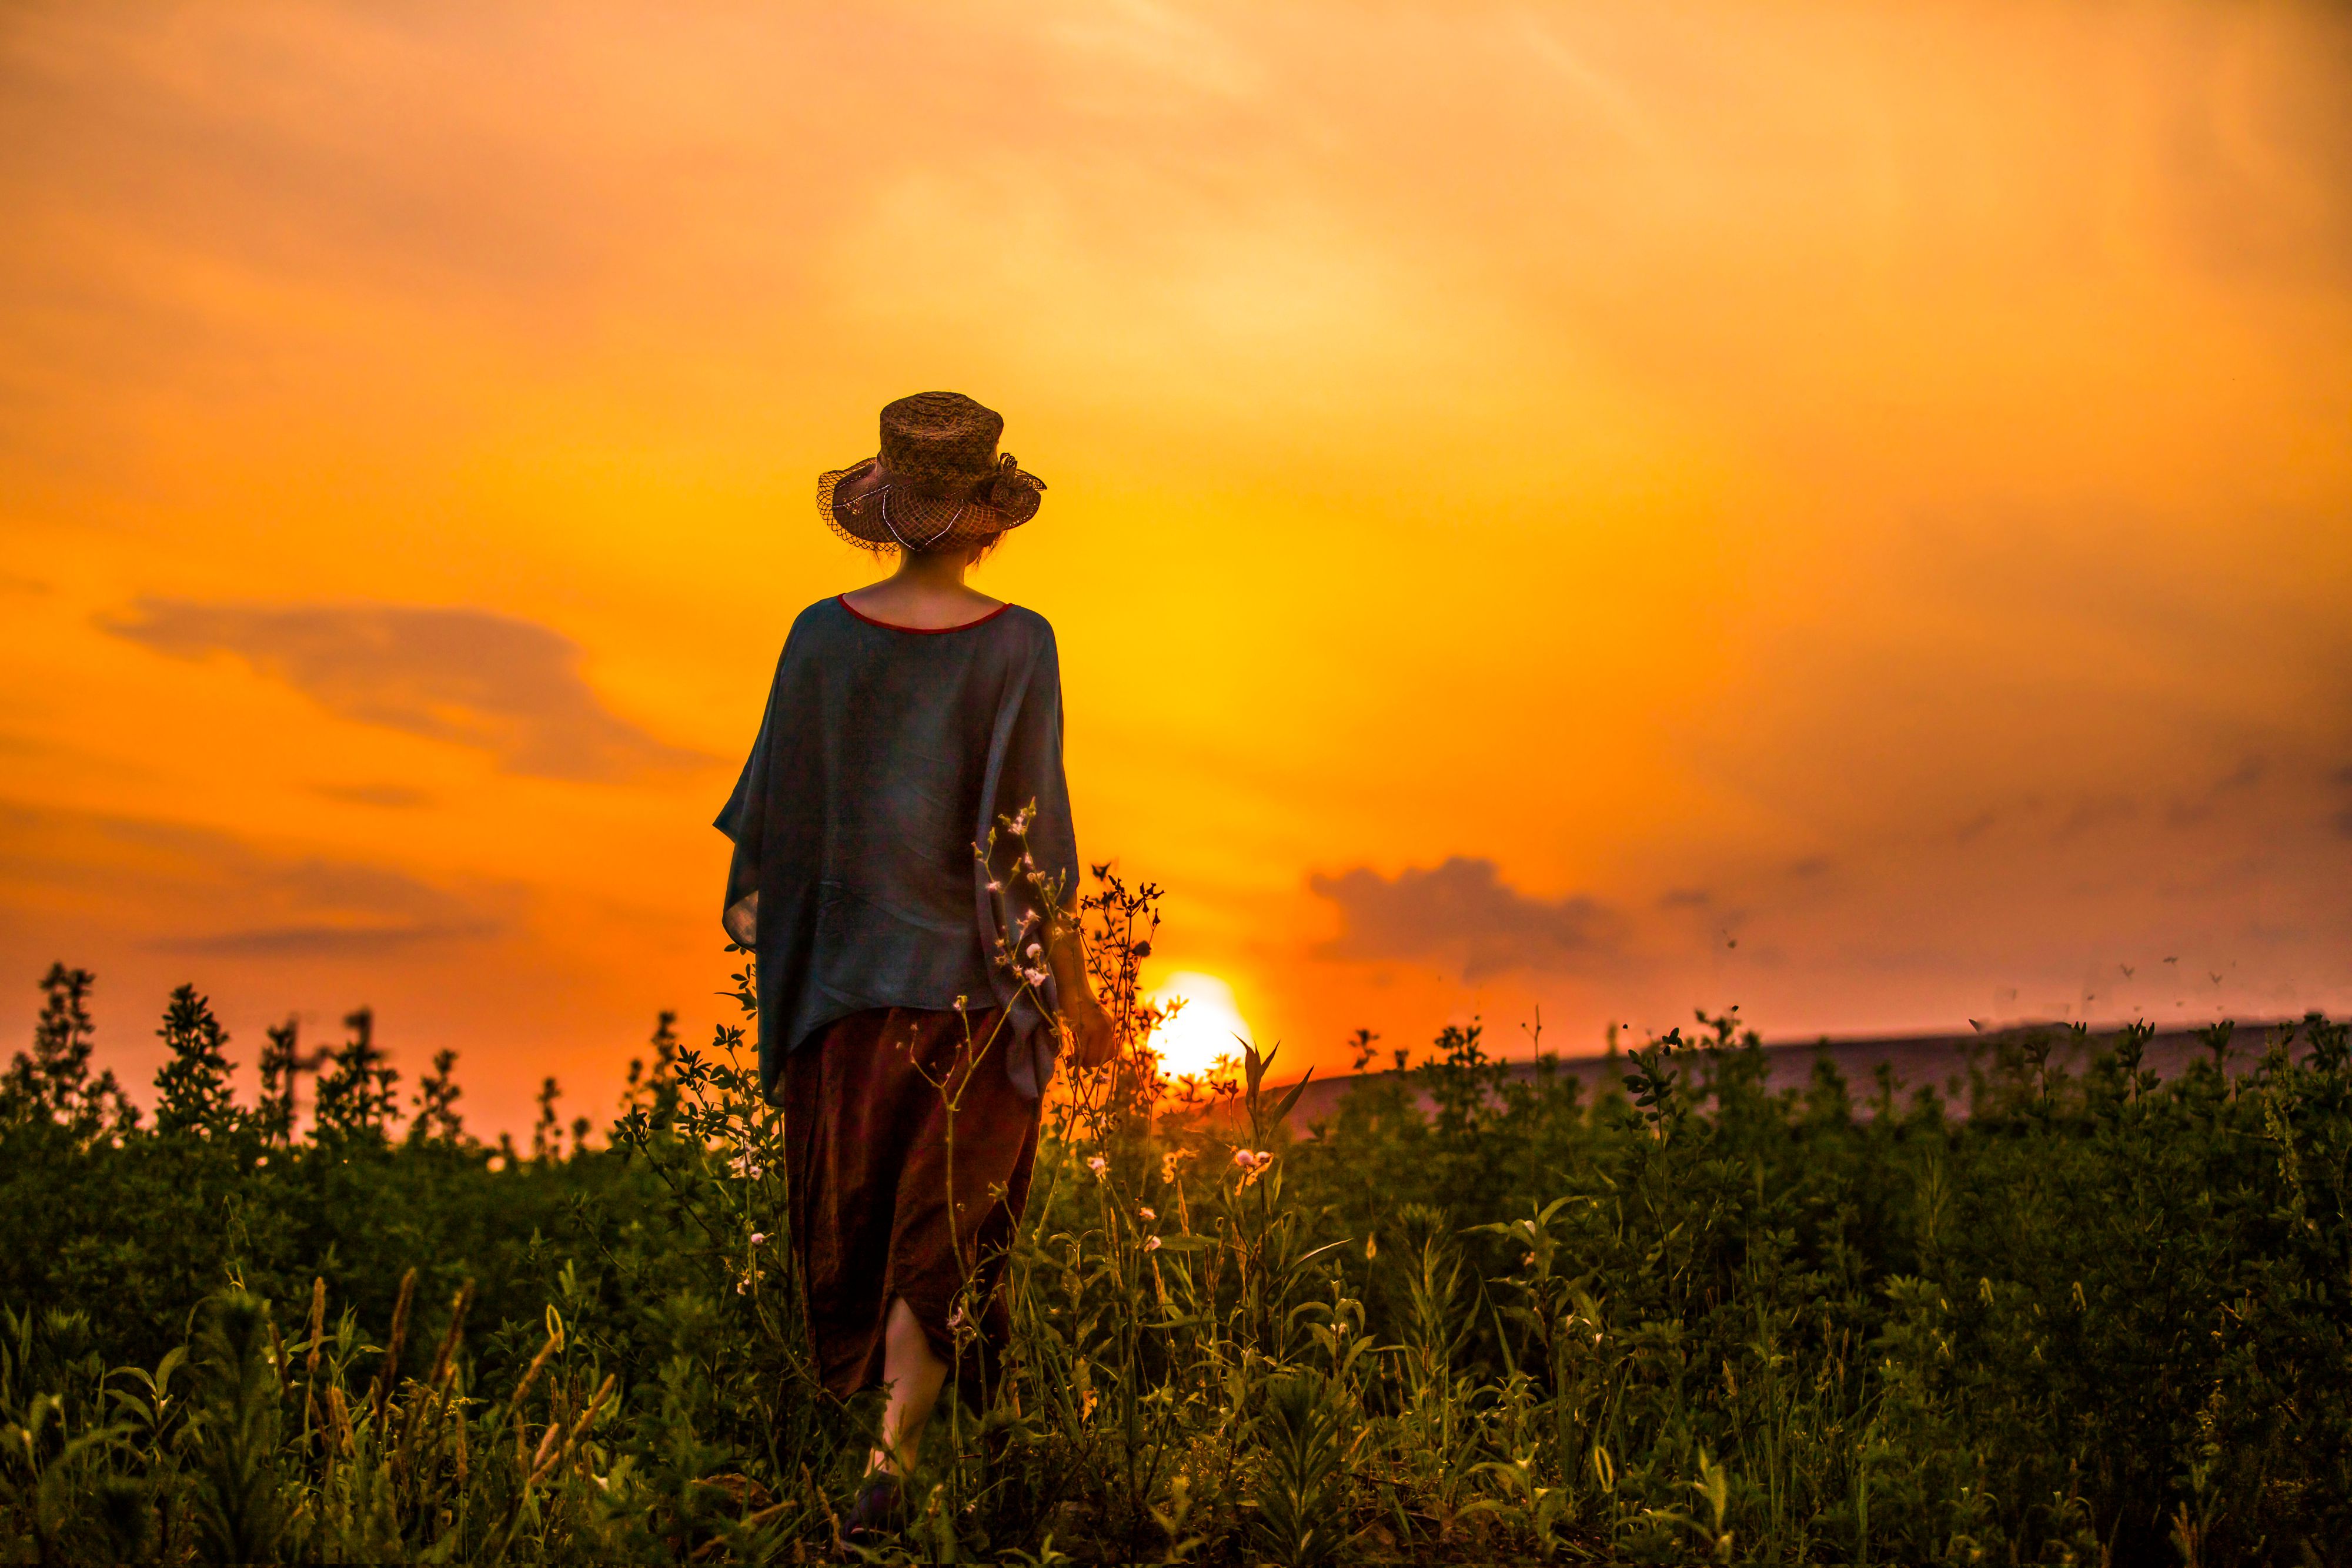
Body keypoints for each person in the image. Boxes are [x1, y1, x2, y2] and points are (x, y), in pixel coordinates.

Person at [714, 391, 1117, 1537]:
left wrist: (810, 951)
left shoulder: (817, 639)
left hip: (844, 997)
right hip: (975, 1001)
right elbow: (1031, 838)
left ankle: (890, 1468)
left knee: (873, 1223)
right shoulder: (1017, 642)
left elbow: (777, 830)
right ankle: (893, 1463)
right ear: (987, 516)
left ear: (886, 508)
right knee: (943, 1234)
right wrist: (1076, 988)